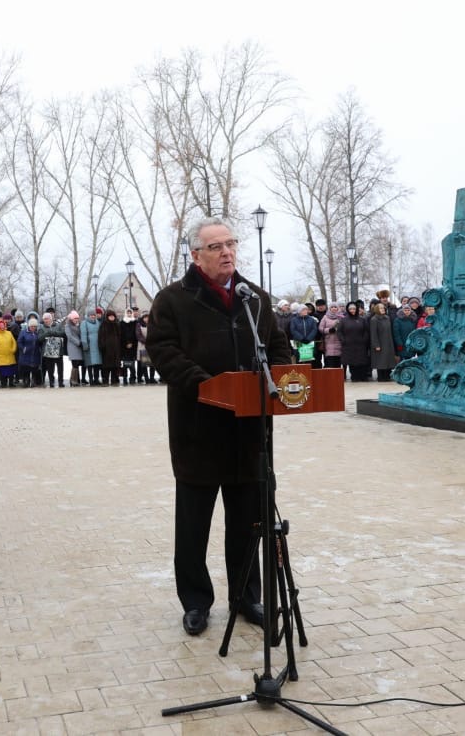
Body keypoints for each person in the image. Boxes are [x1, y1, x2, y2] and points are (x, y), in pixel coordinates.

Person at [149, 217, 293, 637]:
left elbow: (278, 346)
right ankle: (196, 602)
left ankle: (247, 597)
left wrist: (281, 377)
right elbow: (163, 352)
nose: (227, 252)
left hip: (250, 434)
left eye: (231, 243)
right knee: (193, 527)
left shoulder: (256, 299)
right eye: (216, 247)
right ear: (195, 255)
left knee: (249, 523)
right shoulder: (172, 300)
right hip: (199, 431)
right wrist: (209, 387)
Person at [337, 301, 370, 381]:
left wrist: (364, 339)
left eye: (354, 309)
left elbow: (366, 331)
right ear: (348, 310)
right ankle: (354, 377)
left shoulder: (362, 319)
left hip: (361, 344)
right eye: (350, 309)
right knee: (352, 362)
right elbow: (339, 331)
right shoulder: (344, 320)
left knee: (361, 361)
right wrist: (343, 340)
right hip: (348, 345)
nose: (352, 310)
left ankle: (362, 376)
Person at [369, 303, 397, 381]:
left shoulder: (387, 318)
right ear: (377, 309)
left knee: (388, 360)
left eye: (383, 308)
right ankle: (381, 377)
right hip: (380, 343)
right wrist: (376, 345)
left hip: (388, 342)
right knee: (380, 361)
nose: (383, 309)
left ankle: (387, 376)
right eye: (381, 308)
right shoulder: (374, 319)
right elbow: (373, 334)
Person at [39, 312, 67, 388]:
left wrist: (53, 333)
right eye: (44, 319)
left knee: (60, 368)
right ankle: (51, 382)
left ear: (51, 318)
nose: (45, 320)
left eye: (47, 318)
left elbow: (63, 333)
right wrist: (47, 333)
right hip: (48, 352)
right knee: (50, 368)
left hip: (58, 350)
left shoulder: (58, 325)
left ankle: (61, 382)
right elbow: (40, 338)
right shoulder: (41, 328)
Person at [0, 318, 18, 387]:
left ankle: (11, 383)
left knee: (11, 371)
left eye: (3, 325)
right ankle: (3, 383)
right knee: (3, 372)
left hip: (10, 356)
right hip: (0, 358)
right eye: (0, 325)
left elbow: (14, 342)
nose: (2, 327)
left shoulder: (9, 333)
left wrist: (13, 349)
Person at [99, 309, 124, 385]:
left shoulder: (117, 324)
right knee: (106, 367)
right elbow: (101, 337)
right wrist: (102, 346)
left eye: (113, 316)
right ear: (107, 317)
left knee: (115, 366)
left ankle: (114, 380)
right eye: (110, 316)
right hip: (107, 350)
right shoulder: (104, 325)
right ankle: (105, 380)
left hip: (116, 349)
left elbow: (120, 336)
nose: (112, 317)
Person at [81, 308, 104, 385]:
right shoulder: (84, 323)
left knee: (97, 364)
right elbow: (83, 334)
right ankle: (91, 379)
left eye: (94, 315)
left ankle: (96, 379)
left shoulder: (98, 322)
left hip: (97, 346)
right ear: (88, 316)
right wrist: (84, 344)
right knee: (90, 364)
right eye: (91, 315)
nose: (93, 316)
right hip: (89, 346)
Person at [317, 301, 343, 368]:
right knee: (330, 362)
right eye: (332, 307)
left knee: (338, 362)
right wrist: (329, 330)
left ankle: (338, 377)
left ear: (338, 308)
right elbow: (320, 328)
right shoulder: (325, 317)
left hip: (339, 342)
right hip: (328, 342)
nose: (334, 308)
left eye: (335, 307)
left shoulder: (341, 317)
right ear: (329, 308)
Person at [64, 311, 84, 385]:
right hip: (72, 346)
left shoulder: (77, 325)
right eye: (75, 318)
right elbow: (70, 337)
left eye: (77, 318)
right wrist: (78, 343)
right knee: (74, 363)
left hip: (78, 346)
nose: (77, 320)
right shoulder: (67, 326)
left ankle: (76, 380)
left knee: (77, 363)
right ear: (71, 319)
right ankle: (73, 380)